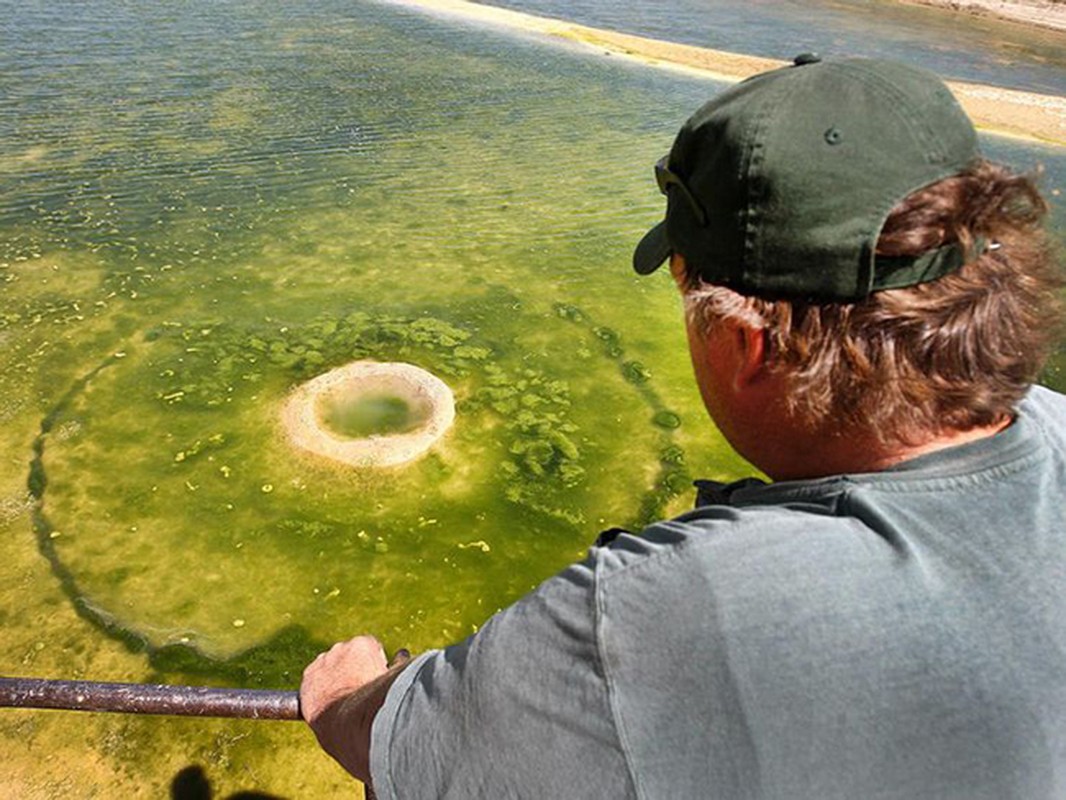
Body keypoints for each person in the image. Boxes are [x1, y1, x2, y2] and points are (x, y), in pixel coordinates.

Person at [300, 55, 1066, 798]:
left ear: (744, 342)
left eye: (683, 291)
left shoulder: (655, 614)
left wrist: (350, 692)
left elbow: (398, 742)